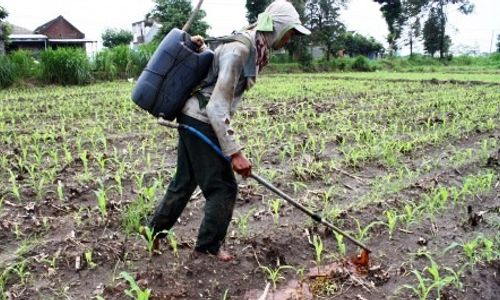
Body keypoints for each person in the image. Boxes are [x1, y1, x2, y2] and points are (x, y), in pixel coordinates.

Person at [147, 0, 311, 261]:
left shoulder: (249, 46)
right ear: (279, 27)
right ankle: (208, 249)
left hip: (192, 116)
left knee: (185, 181)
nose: (291, 39)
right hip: (201, 119)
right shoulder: (241, 50)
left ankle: (152, 233)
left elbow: (214, 71)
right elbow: (216, 107)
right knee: (223, 188)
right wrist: (235, 153)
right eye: (290, 32)